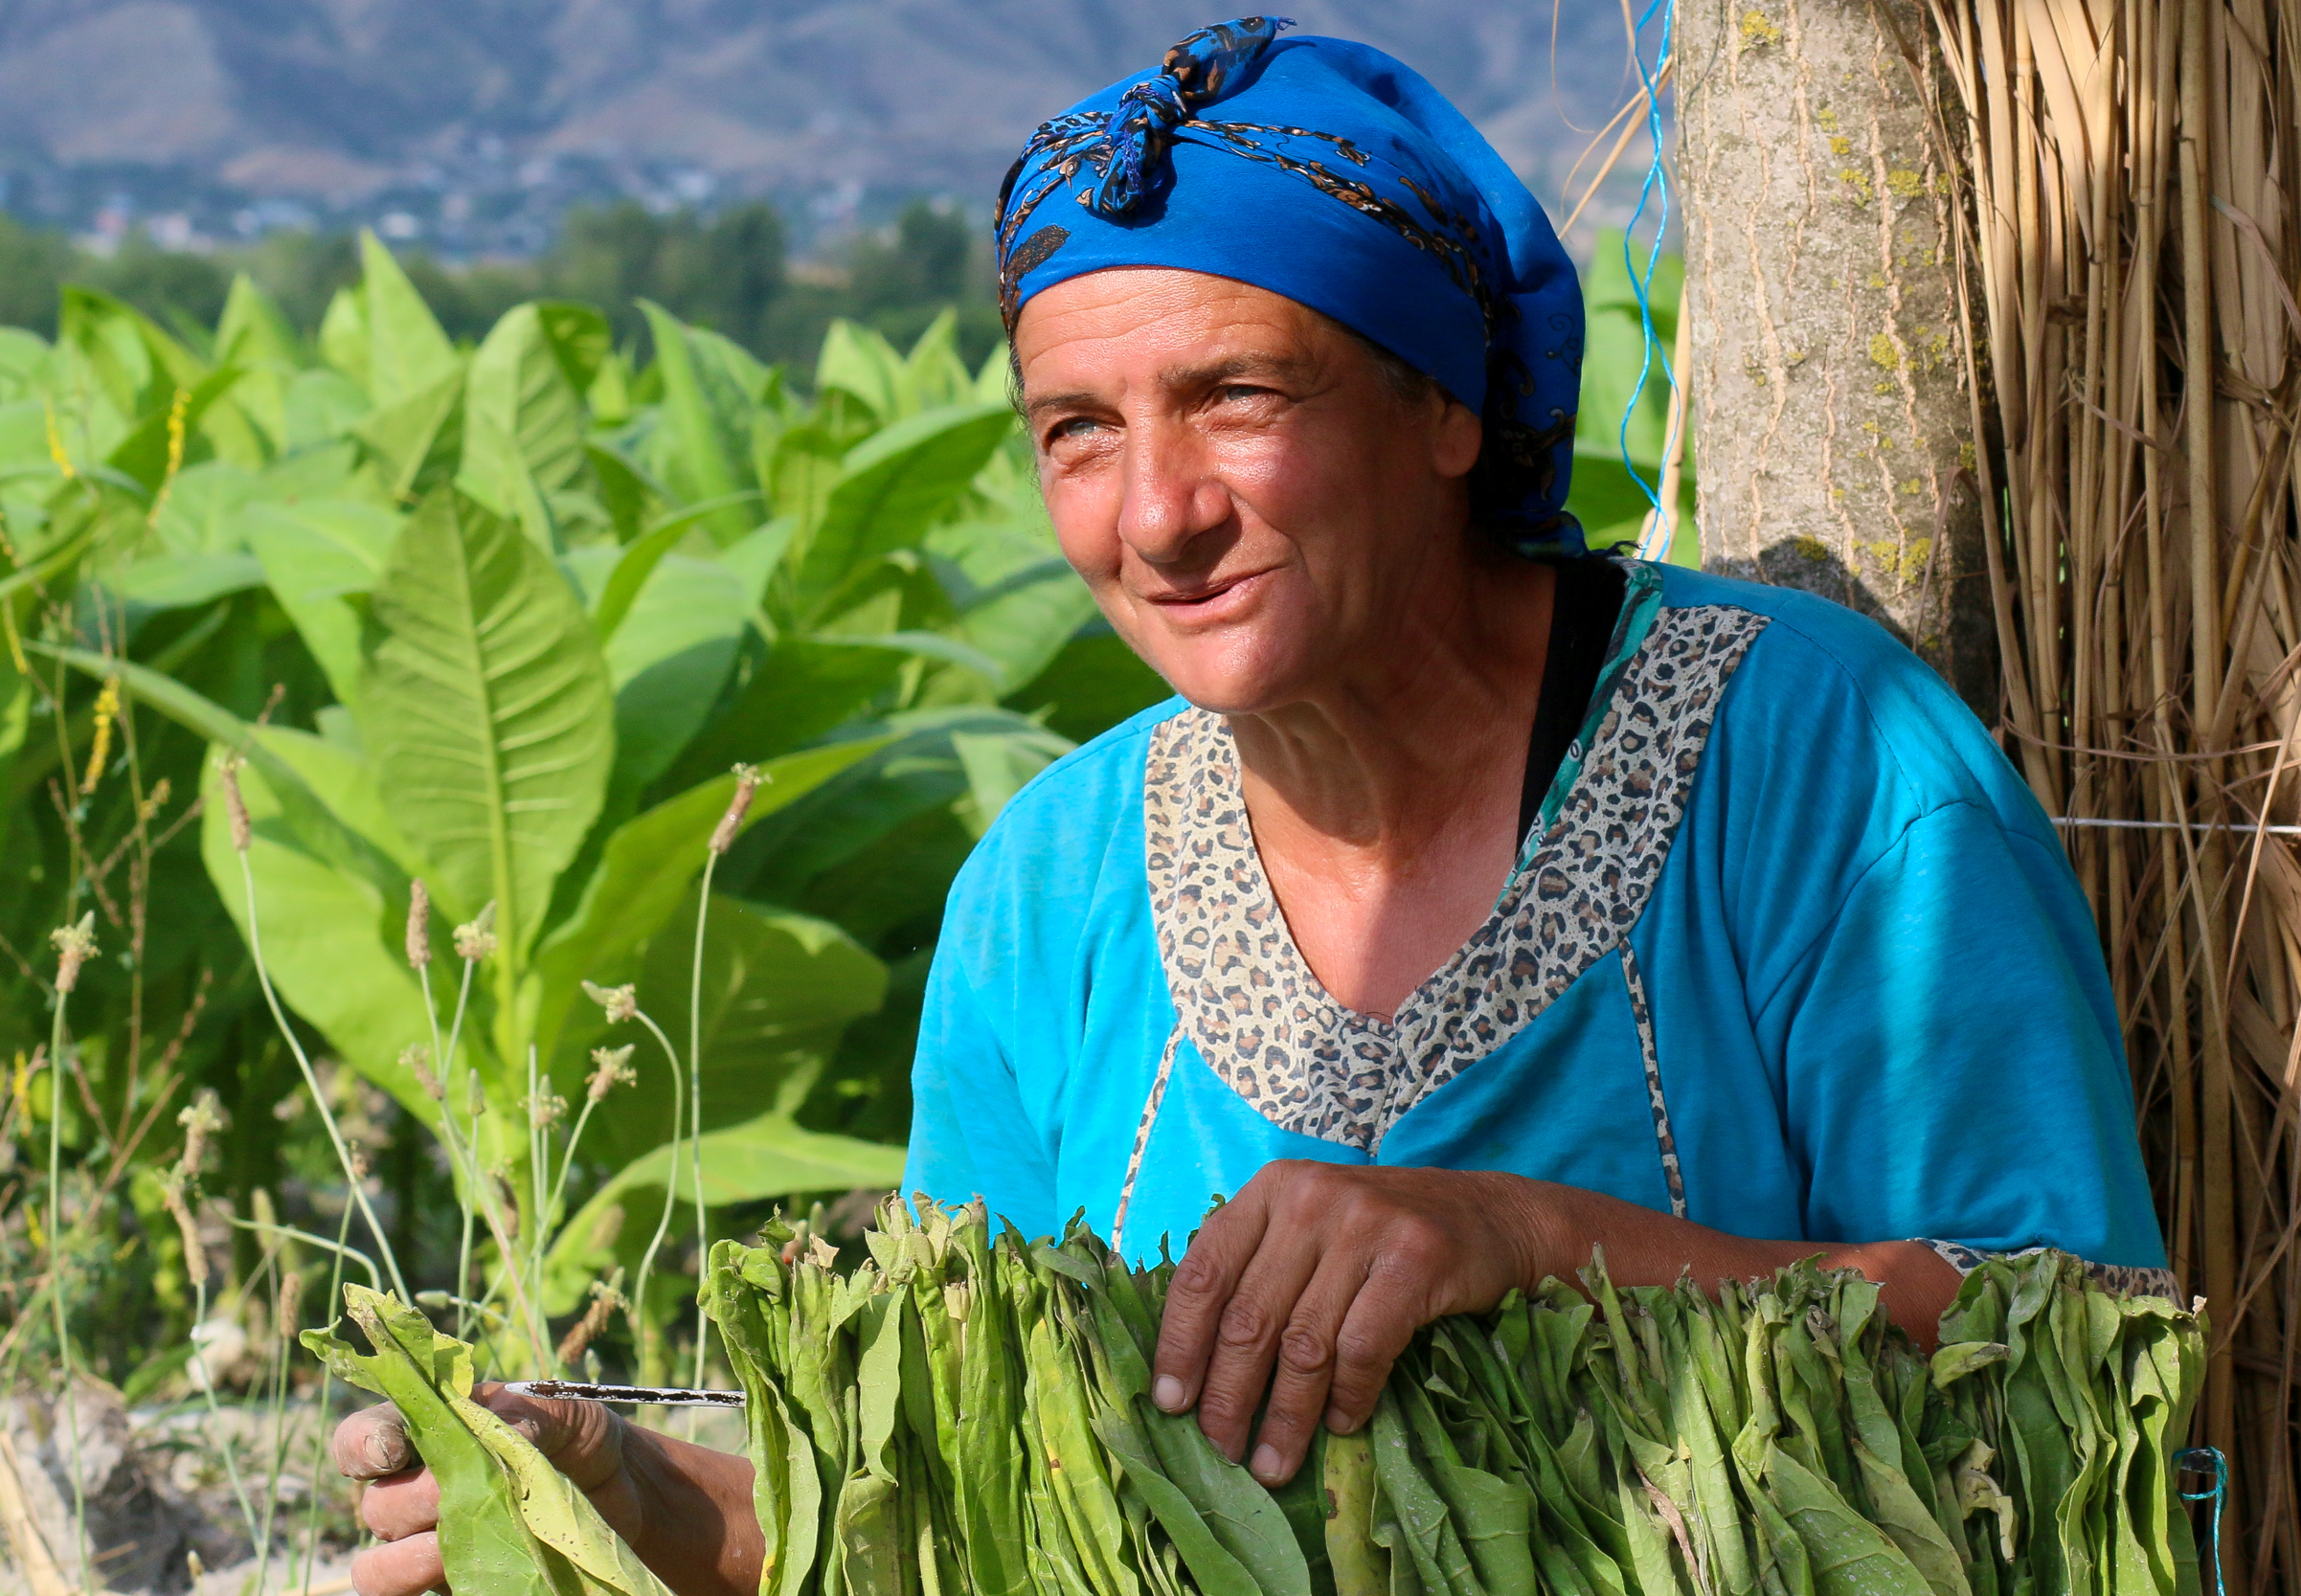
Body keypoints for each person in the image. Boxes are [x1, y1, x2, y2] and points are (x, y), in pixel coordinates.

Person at [334, 19, 2171, 1594]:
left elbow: (2072, 1355)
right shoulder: (1045, 894)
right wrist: (647, 1513)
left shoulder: (1814, 766)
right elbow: (968, 1508)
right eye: (1079, 431)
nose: (1156, 515)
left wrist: (1528, 1242)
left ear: (1445, 407)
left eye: (1235, 397)